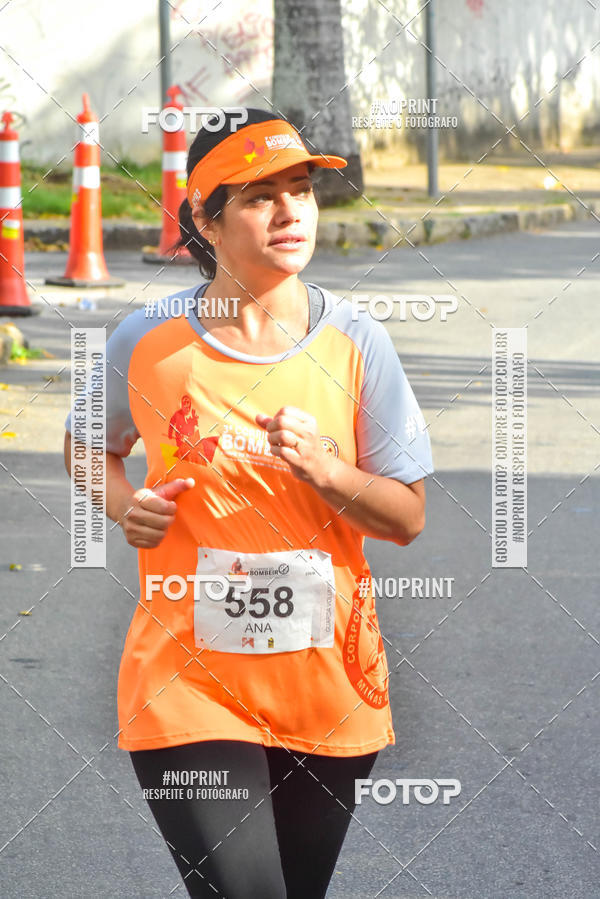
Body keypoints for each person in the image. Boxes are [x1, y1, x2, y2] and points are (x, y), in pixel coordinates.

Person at [64, 108, 434, 898]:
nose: (289, 211)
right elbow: (86, 446)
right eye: (260, 196)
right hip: (187, 681)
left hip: (324, 682)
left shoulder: (357, 342)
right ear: (206, 220)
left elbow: (407, 516)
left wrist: (327, 470)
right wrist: (124, 503)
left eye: (301, 189)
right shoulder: (148, 340)